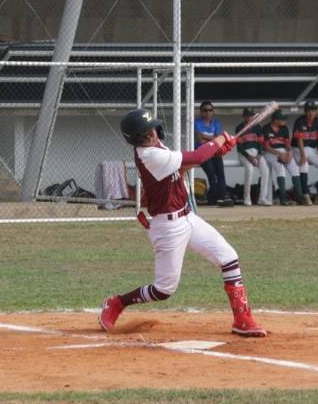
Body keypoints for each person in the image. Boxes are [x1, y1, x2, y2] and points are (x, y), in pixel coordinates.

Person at [98, 109, 266, 337]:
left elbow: (184, 166)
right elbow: (196, 158)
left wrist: (214, 151)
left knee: (229, 258)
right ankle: (117, 302)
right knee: (164, 289)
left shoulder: (158, 147)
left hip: (188, 216)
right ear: (136, 140)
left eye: (151, 130)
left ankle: (243, 320)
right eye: (145, 134)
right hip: (167, 227)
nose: (151, 136)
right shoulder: (149, 155)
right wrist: (218, 141)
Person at [262, 109, 306, 206]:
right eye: (282, 119)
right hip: (270, 152)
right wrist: (279, 154)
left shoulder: (284, 128)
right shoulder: (266, 128)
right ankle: (283, 198)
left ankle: (299, 197)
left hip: (283, 151)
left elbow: (287, 144)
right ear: (275, 120)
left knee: (295, 168)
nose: (285, 121)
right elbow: (266, 147)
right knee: (280, 169)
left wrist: (289, 153)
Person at [293, 100, 318, 205]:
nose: (311, 113)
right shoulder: (300, 121)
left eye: (313, 110)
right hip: (298, 148)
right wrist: (302, 156)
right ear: (305, 111)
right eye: (308, 111)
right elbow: (299, 140)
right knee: (304, 166)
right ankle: (305, 195)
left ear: (316, 111)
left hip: (311, 148)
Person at [194, 101, 233, 206]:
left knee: (220, 174)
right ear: (201, 112)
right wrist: (213, 139)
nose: (208, 112)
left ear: (213, 111)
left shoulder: (216, 123)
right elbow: (200, 140)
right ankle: (213, 199)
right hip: (202, 152)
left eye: (210, 110)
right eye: (205, 110)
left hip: (215, 151)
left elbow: (219, 139)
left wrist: (205, 136)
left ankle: (223, 197)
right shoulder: (197, 123)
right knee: (212, 174)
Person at [235, 108, 272, 206]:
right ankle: (247, 198)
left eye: (251, 115)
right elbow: (240, 147)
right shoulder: (239, 128)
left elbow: (260, 143)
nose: (250, 117)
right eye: (247, 115)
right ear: (244, 117)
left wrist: (260, 153)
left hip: (256, 153)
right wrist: (249, 157)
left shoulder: (257, 127)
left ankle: (262, 198)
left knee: (265, 170)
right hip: (244, 153)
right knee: (250, 170)